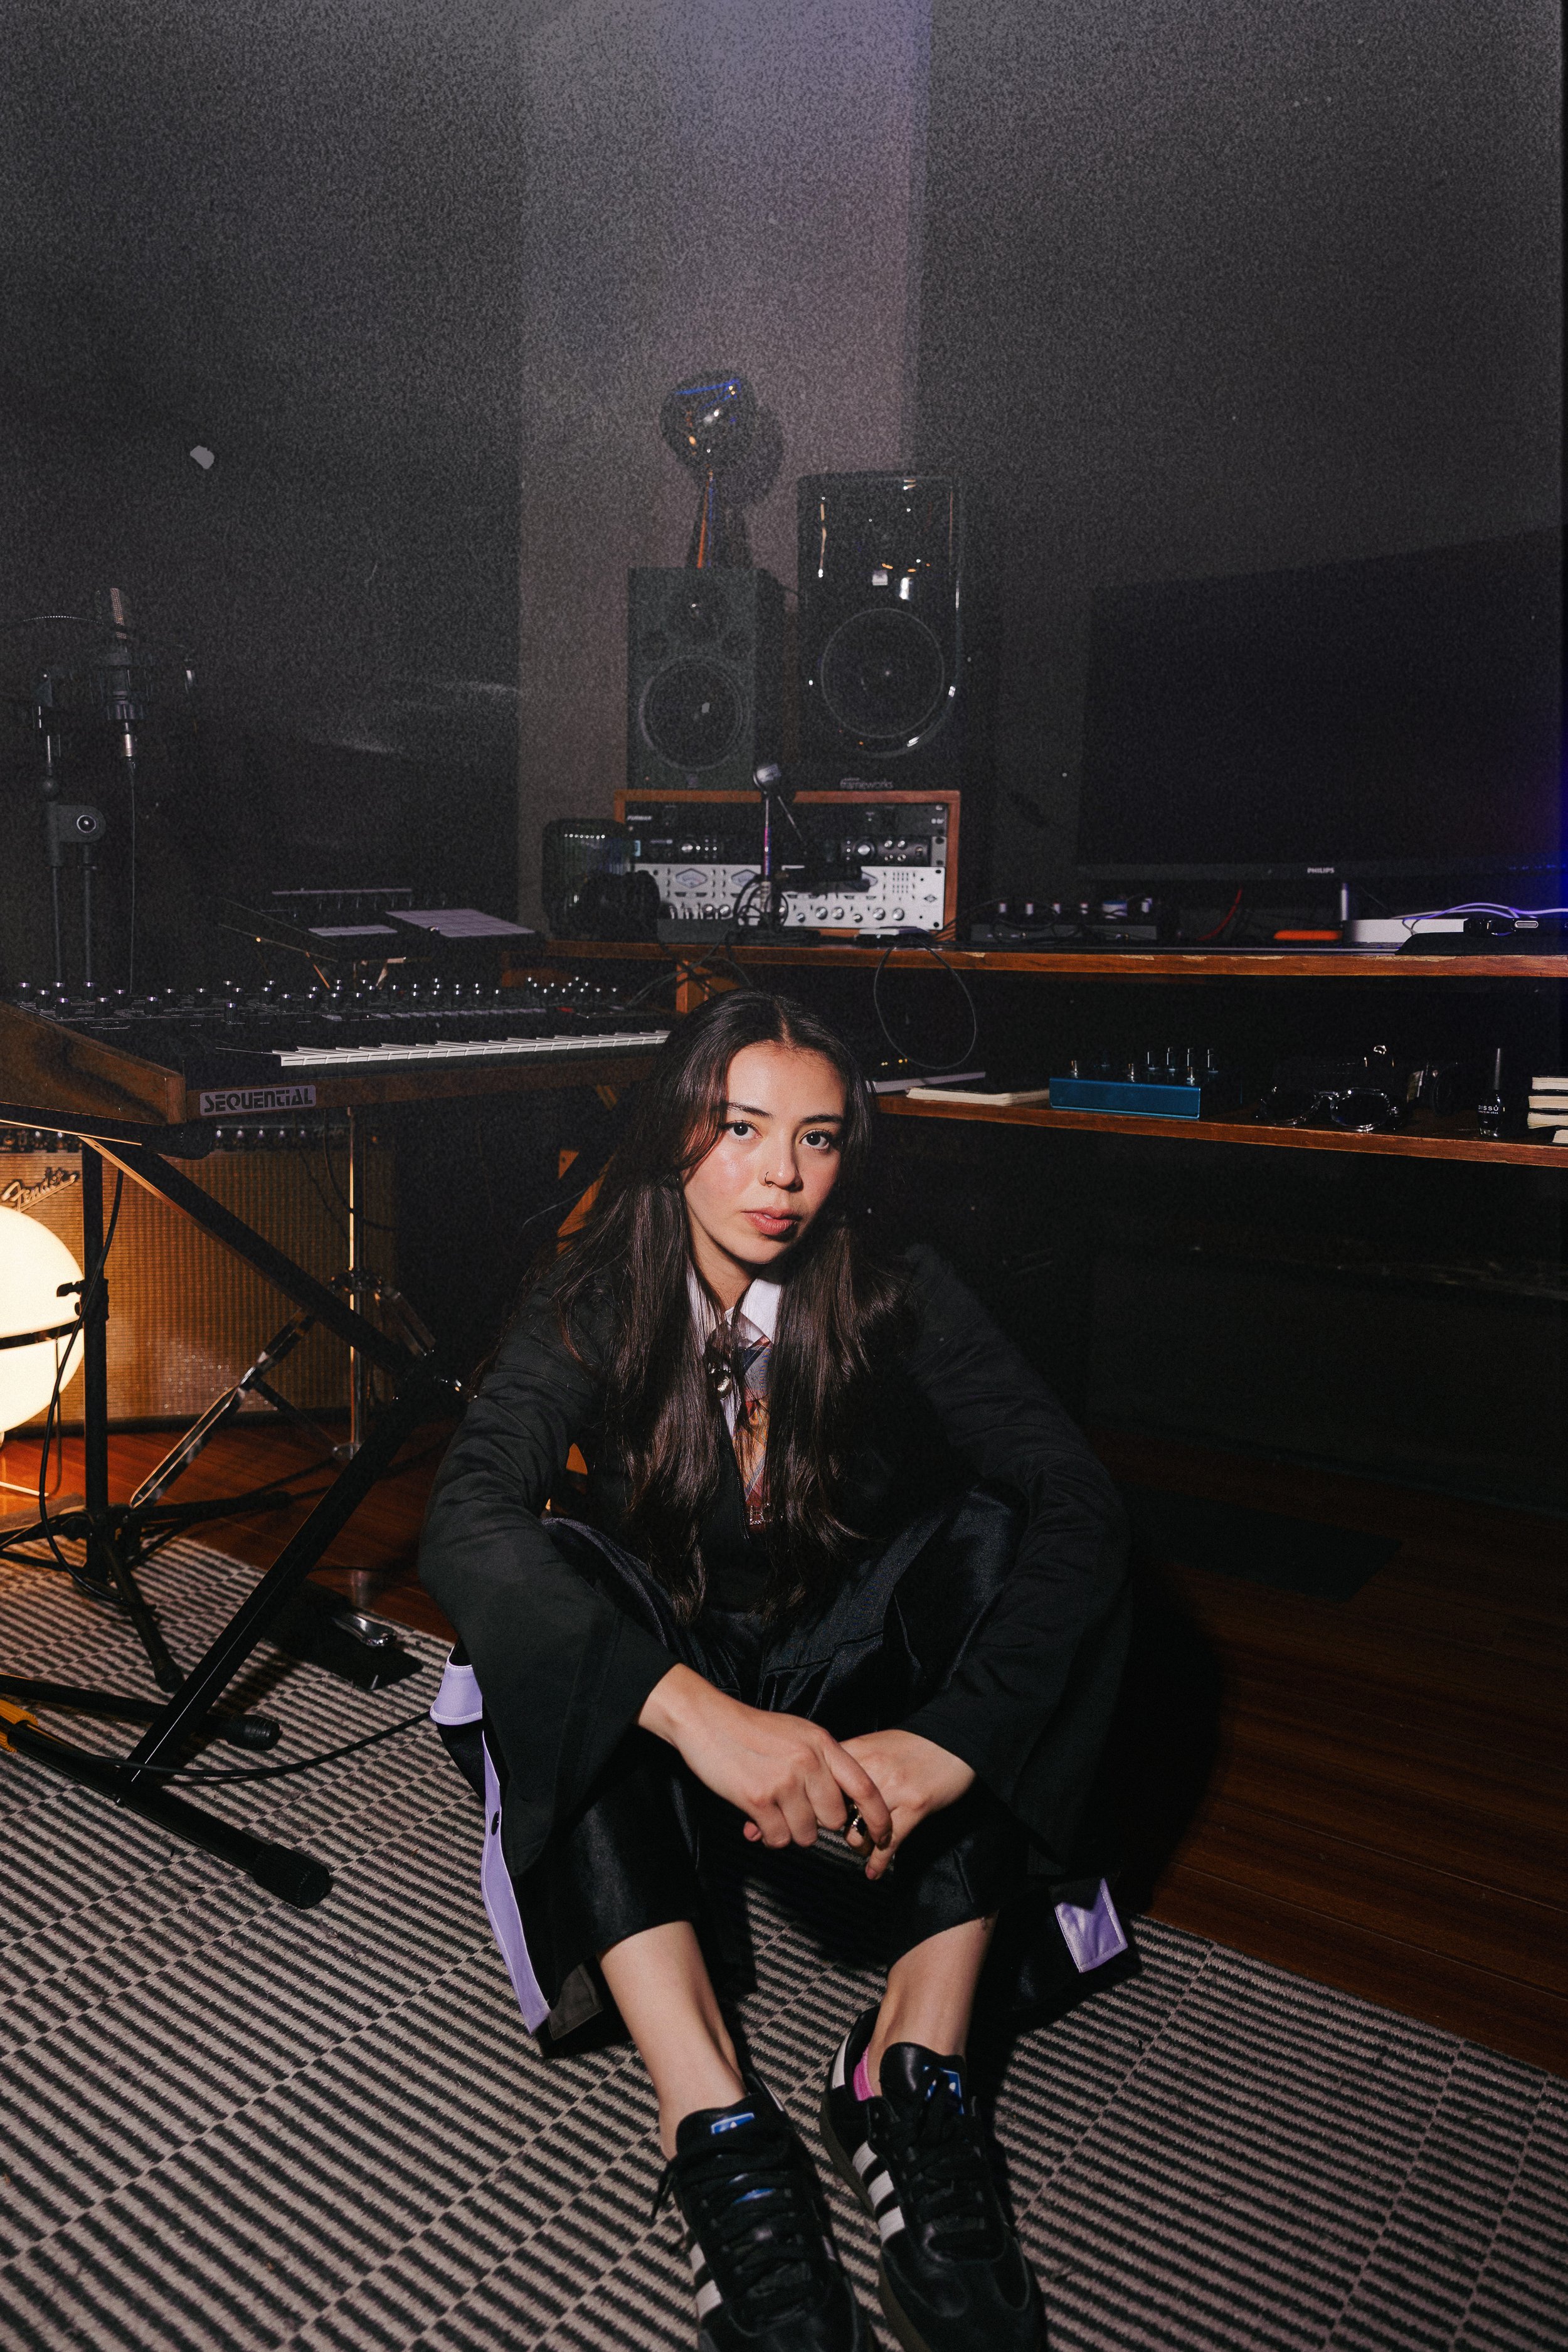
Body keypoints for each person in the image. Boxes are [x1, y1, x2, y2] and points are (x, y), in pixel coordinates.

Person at [419, 990, 1130, 2352]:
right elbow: (467, 1515)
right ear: (677, 1135)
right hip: (683, 1711)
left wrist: (958, 1739)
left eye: (815, 1140)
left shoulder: (892, 1281)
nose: (781, 1179)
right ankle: (713, 2118)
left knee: (1012, 1528)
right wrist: (691, 1714)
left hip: (849, 1691)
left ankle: (905, 2072)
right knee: (546, 1577)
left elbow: (1075, 1500)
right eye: (740, 1131)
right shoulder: (596, 1292)